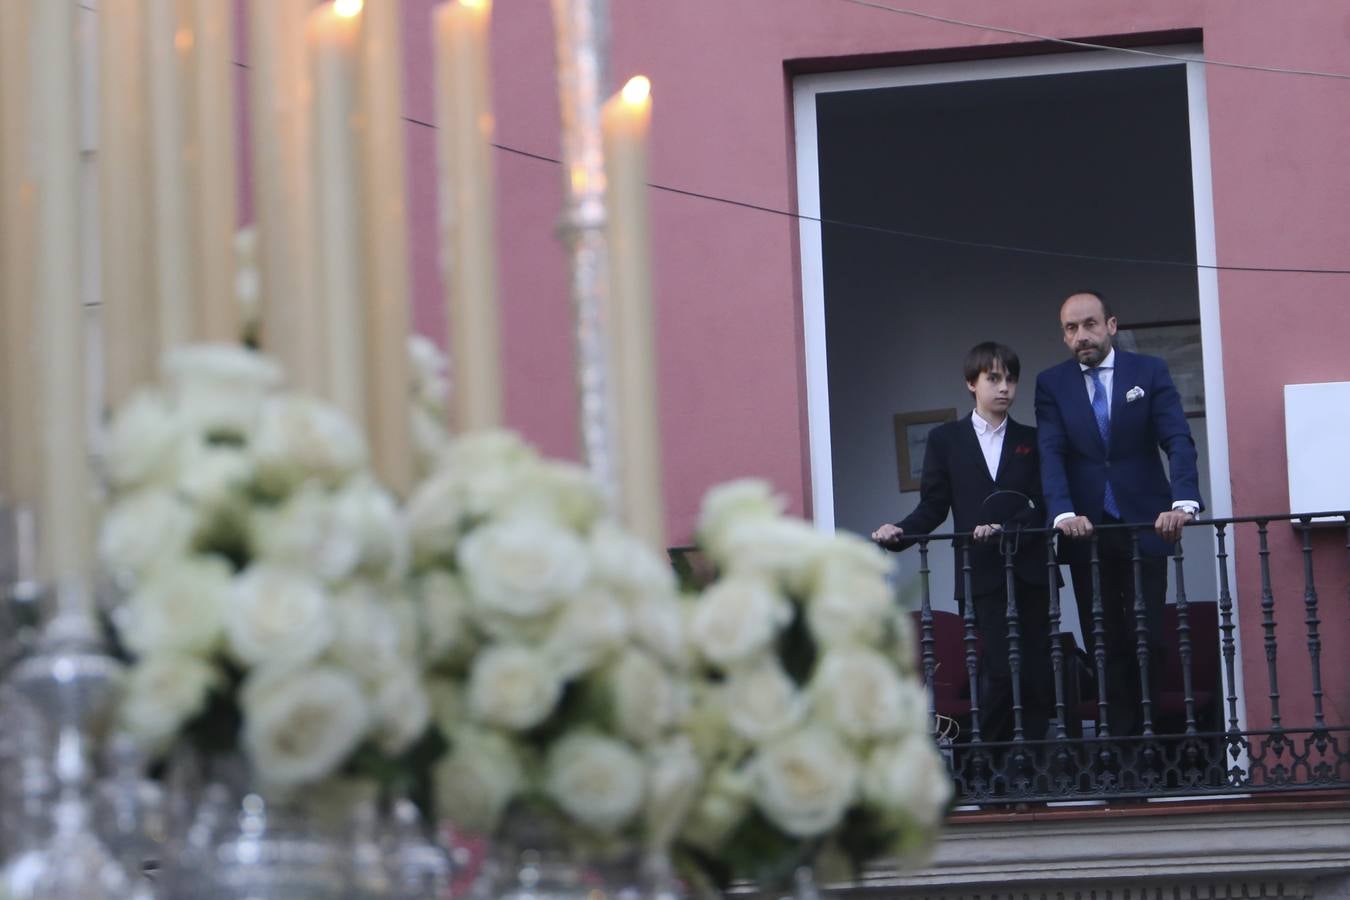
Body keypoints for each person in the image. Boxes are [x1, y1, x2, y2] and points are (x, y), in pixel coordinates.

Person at [1034, 290, 1202, 737]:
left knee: (1149, 637)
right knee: (1101, 640)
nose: (1081, 336)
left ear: (1111, 325)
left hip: (1146, 525)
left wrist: (1183, 502)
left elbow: (1177, 439)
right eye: (1071, 328)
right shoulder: (1052, 384)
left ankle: (1154, 739)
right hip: (1086, 532)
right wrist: (1063, 513)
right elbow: (1050, 453)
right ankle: (1123, 751)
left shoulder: (1149, 371)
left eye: (1090, 324)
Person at [873, 342, 1054, 744]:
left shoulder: (1033, 439)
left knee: (1039, 673)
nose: (1004, 387)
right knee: (999, 670)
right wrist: (899, 533)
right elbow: (933, 506)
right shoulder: (946, 440)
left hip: (1032, 570)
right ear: (971, 384)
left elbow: (1043, 502)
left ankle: (1037, 776)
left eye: (1010, 379)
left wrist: (1005, 527)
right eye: (993, 378)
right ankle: (990, 769)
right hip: (980, 572)